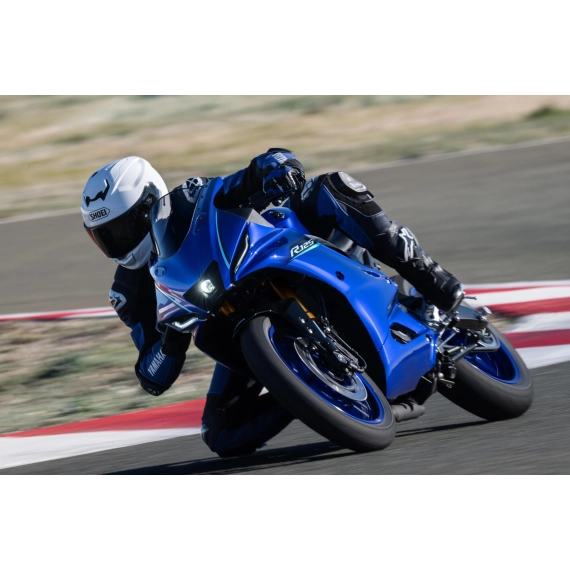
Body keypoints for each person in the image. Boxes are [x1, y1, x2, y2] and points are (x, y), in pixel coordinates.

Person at [81, 150, 464, 457]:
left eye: (121, 229)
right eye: (104, 236)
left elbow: (244, 178)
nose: (116, 244)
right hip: (230, 320)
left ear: (148, 204)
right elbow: (151, 377)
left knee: (331, 187)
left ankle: (424, 273)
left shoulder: (189, 199)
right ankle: (311, 392)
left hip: (269, 260)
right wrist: (170, 338)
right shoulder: (128, 292)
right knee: (220, 432)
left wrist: (276, 167)